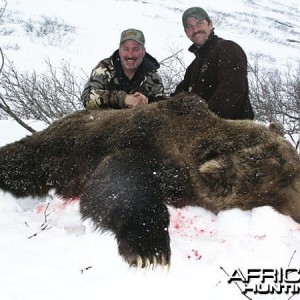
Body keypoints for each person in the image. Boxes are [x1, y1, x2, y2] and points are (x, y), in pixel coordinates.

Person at [175, 7, 254, 120]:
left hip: (233, 133)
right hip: (204, 133)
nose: (195, 29)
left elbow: (231, 93)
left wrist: (201, 123)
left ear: (210, 24)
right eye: (190, 27)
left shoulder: (228, 49)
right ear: (186, 33)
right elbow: (178, 99)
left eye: (199, 23)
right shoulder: (193, 67)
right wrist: (149, 101)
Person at [81, 28, 165, 109]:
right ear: (119, 50)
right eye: (126, 49)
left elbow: (162, 105)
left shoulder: (153, 76)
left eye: (136, 49)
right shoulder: (104, 68)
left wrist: (147, 101)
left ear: (143, 51)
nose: (130, 55)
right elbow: (87, 98)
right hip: (106, 121)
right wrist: (124, 99)